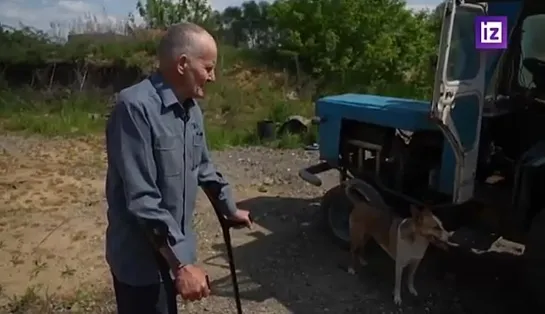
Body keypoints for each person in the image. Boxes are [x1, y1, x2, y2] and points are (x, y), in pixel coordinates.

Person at [104, 22, 252, 314]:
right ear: (183, 64)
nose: (213, 77)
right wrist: (181, 264)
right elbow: (143, 198)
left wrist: (229, 207)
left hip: (172, 250)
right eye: (208, 68)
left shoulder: (190, 109)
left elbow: (204, 167)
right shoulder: (134, 108)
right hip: (141, 261)